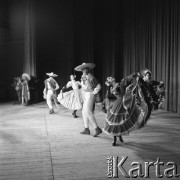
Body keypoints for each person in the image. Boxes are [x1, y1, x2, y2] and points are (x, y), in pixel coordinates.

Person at [74, 63, 102, 137]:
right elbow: (84, 86)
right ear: (82, 70)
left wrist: (93, 92)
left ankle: (97, 128)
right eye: (83, 69)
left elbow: (98, 86)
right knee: (84, 112)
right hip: (86, 95)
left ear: (88, 69)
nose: (85, 70)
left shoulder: (91, 77)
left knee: (88, 112)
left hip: (90, 94)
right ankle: (86, 129)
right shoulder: (83, 76)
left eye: (86, 69)